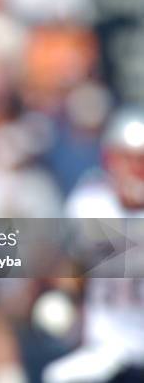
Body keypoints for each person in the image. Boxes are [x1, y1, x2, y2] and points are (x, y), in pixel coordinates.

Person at [42, 109, 144, 383]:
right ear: (110, 160)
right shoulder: (90, 205)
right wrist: (64, 296)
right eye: (129, 159)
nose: (137, 169)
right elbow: (72, 267)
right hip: (105, 349)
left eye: (142, 160)